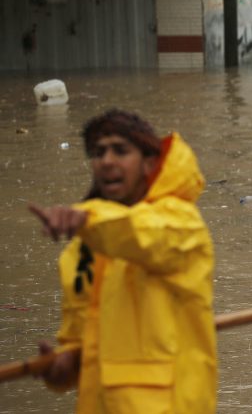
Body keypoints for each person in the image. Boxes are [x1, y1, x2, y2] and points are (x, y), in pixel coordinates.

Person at [28, 110, 216, 413]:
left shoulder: (181, 224)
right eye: (99, 152)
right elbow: (79, 344)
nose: (107, 161)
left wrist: (86, 219)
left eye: (120, 150)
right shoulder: (81, 252)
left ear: (149, 163)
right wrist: (60, 370)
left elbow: (136, 235)